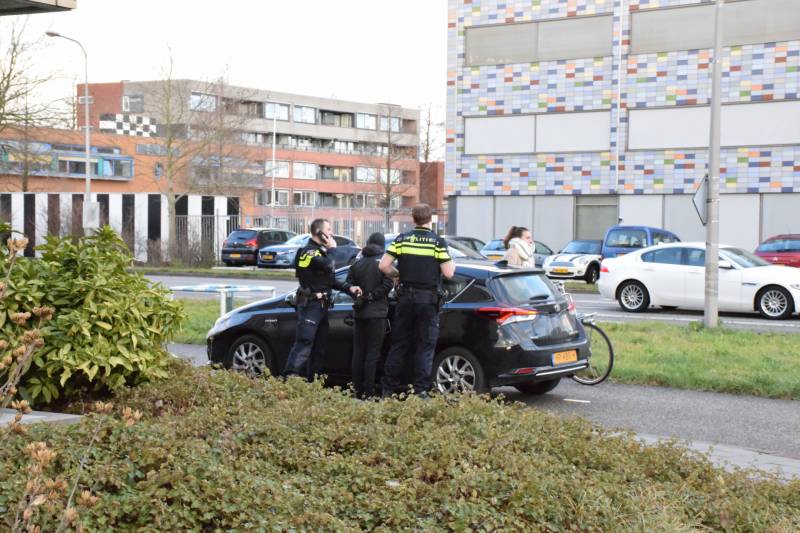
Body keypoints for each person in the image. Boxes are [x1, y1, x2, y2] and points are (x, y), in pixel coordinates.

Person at [379, 204, 455, 398]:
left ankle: (389, 389)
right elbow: (449, 273)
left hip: (405, 298)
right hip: (427, 301)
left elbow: (383, 266)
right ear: (431, 219)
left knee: (399, 344)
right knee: (425, 346)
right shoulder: (437, 242)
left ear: (413, 219)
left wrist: (398, 274)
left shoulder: (402, 239)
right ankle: (420, 391)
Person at [282, 219, 361, 381]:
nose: (332, 233)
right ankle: (289, 378)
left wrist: (349, 288)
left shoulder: (320, 251)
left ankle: (314, 383)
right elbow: (328, 266)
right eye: (329, 229)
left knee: (319, 347)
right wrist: (332, 250)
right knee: (305, 342)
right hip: (311, 305)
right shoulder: (309, 252)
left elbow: (329, 280)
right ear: (319, 233)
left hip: (322, 306)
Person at [346, 232, 394, 399]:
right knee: (372, 354)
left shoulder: (357, 261)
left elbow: (349, 283)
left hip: (359, 314)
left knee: (358, 352)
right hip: (377, 314)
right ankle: (369, 391)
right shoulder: (383, 263)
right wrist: (373, 296)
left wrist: (360, 296)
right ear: (382, 246)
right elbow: (389, 284)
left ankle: (356, 390)